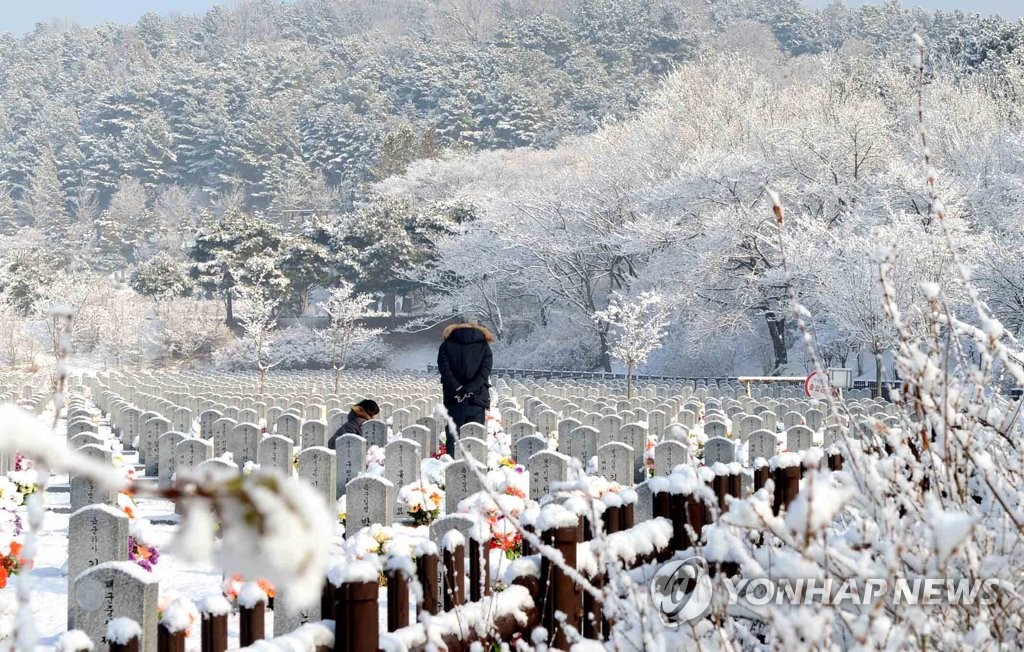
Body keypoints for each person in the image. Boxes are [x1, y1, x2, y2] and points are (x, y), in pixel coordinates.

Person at [437, 321, 494, 440]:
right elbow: (484, 371)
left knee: (453, 437)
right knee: (474, 438)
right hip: (477, 398)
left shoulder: (446, 345)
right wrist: (469, 389)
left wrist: (458, 388)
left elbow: (445, 370)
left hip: (453, 397)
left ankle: (453, 458)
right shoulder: (484, 346)